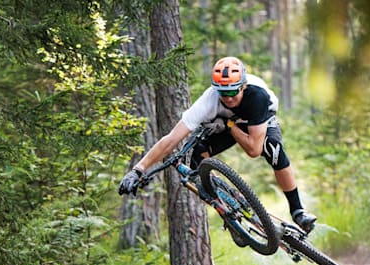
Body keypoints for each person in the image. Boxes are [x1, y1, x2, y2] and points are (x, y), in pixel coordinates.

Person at [118, 56, 317, 233]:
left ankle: (298, 211)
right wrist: (138, 170)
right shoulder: (208, 102)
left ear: (243, 86)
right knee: (196, 156)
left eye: (233, 91)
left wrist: (230, 124)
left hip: (255, 121)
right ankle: (228, 209)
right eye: (223, 92)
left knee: (273, 149)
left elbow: (253, 150)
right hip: (223, 125)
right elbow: (171, 139)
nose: (228, 98)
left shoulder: (257, 96)